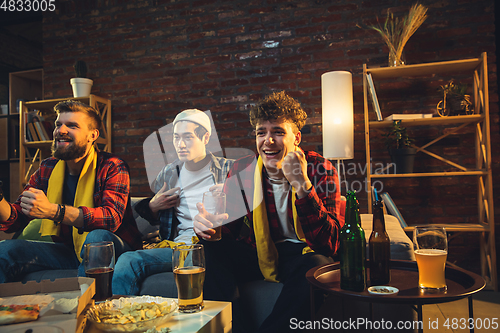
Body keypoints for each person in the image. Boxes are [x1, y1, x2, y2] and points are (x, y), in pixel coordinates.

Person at [194, 91, 342, 333]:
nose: (268, 141)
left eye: (278, 132)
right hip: (260, 253)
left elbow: (333, 244)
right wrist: (207, 228)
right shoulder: (243, 170)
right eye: (261, 133)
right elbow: (226, 230)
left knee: (318, 267)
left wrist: (303, 186)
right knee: (209, 250)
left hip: (305, 254)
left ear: (297, 138)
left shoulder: (319, 168)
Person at [0, 100, 142, 283]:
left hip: (116, 249)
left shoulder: (112, 166)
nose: (61, 130)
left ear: (93, 135)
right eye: (58, 124)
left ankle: (87, 307)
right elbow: (16, 219)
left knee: (97, 238)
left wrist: (54, 212)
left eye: (72, 125)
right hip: (70, 251)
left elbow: (110, 219)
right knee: (5, 250)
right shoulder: (48, 168)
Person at [112, 109, 234, 296]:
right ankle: (124, 319)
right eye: (176, 138)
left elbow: (249, 218)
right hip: (175, 247)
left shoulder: (229, 170)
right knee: (128, 260)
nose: (180, 144)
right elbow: (150, 218)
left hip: (209, 248)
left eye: (187, 137)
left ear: (206, 138)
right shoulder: (169, 173)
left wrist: (228, 196)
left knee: (196, 265)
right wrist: (153, 207)